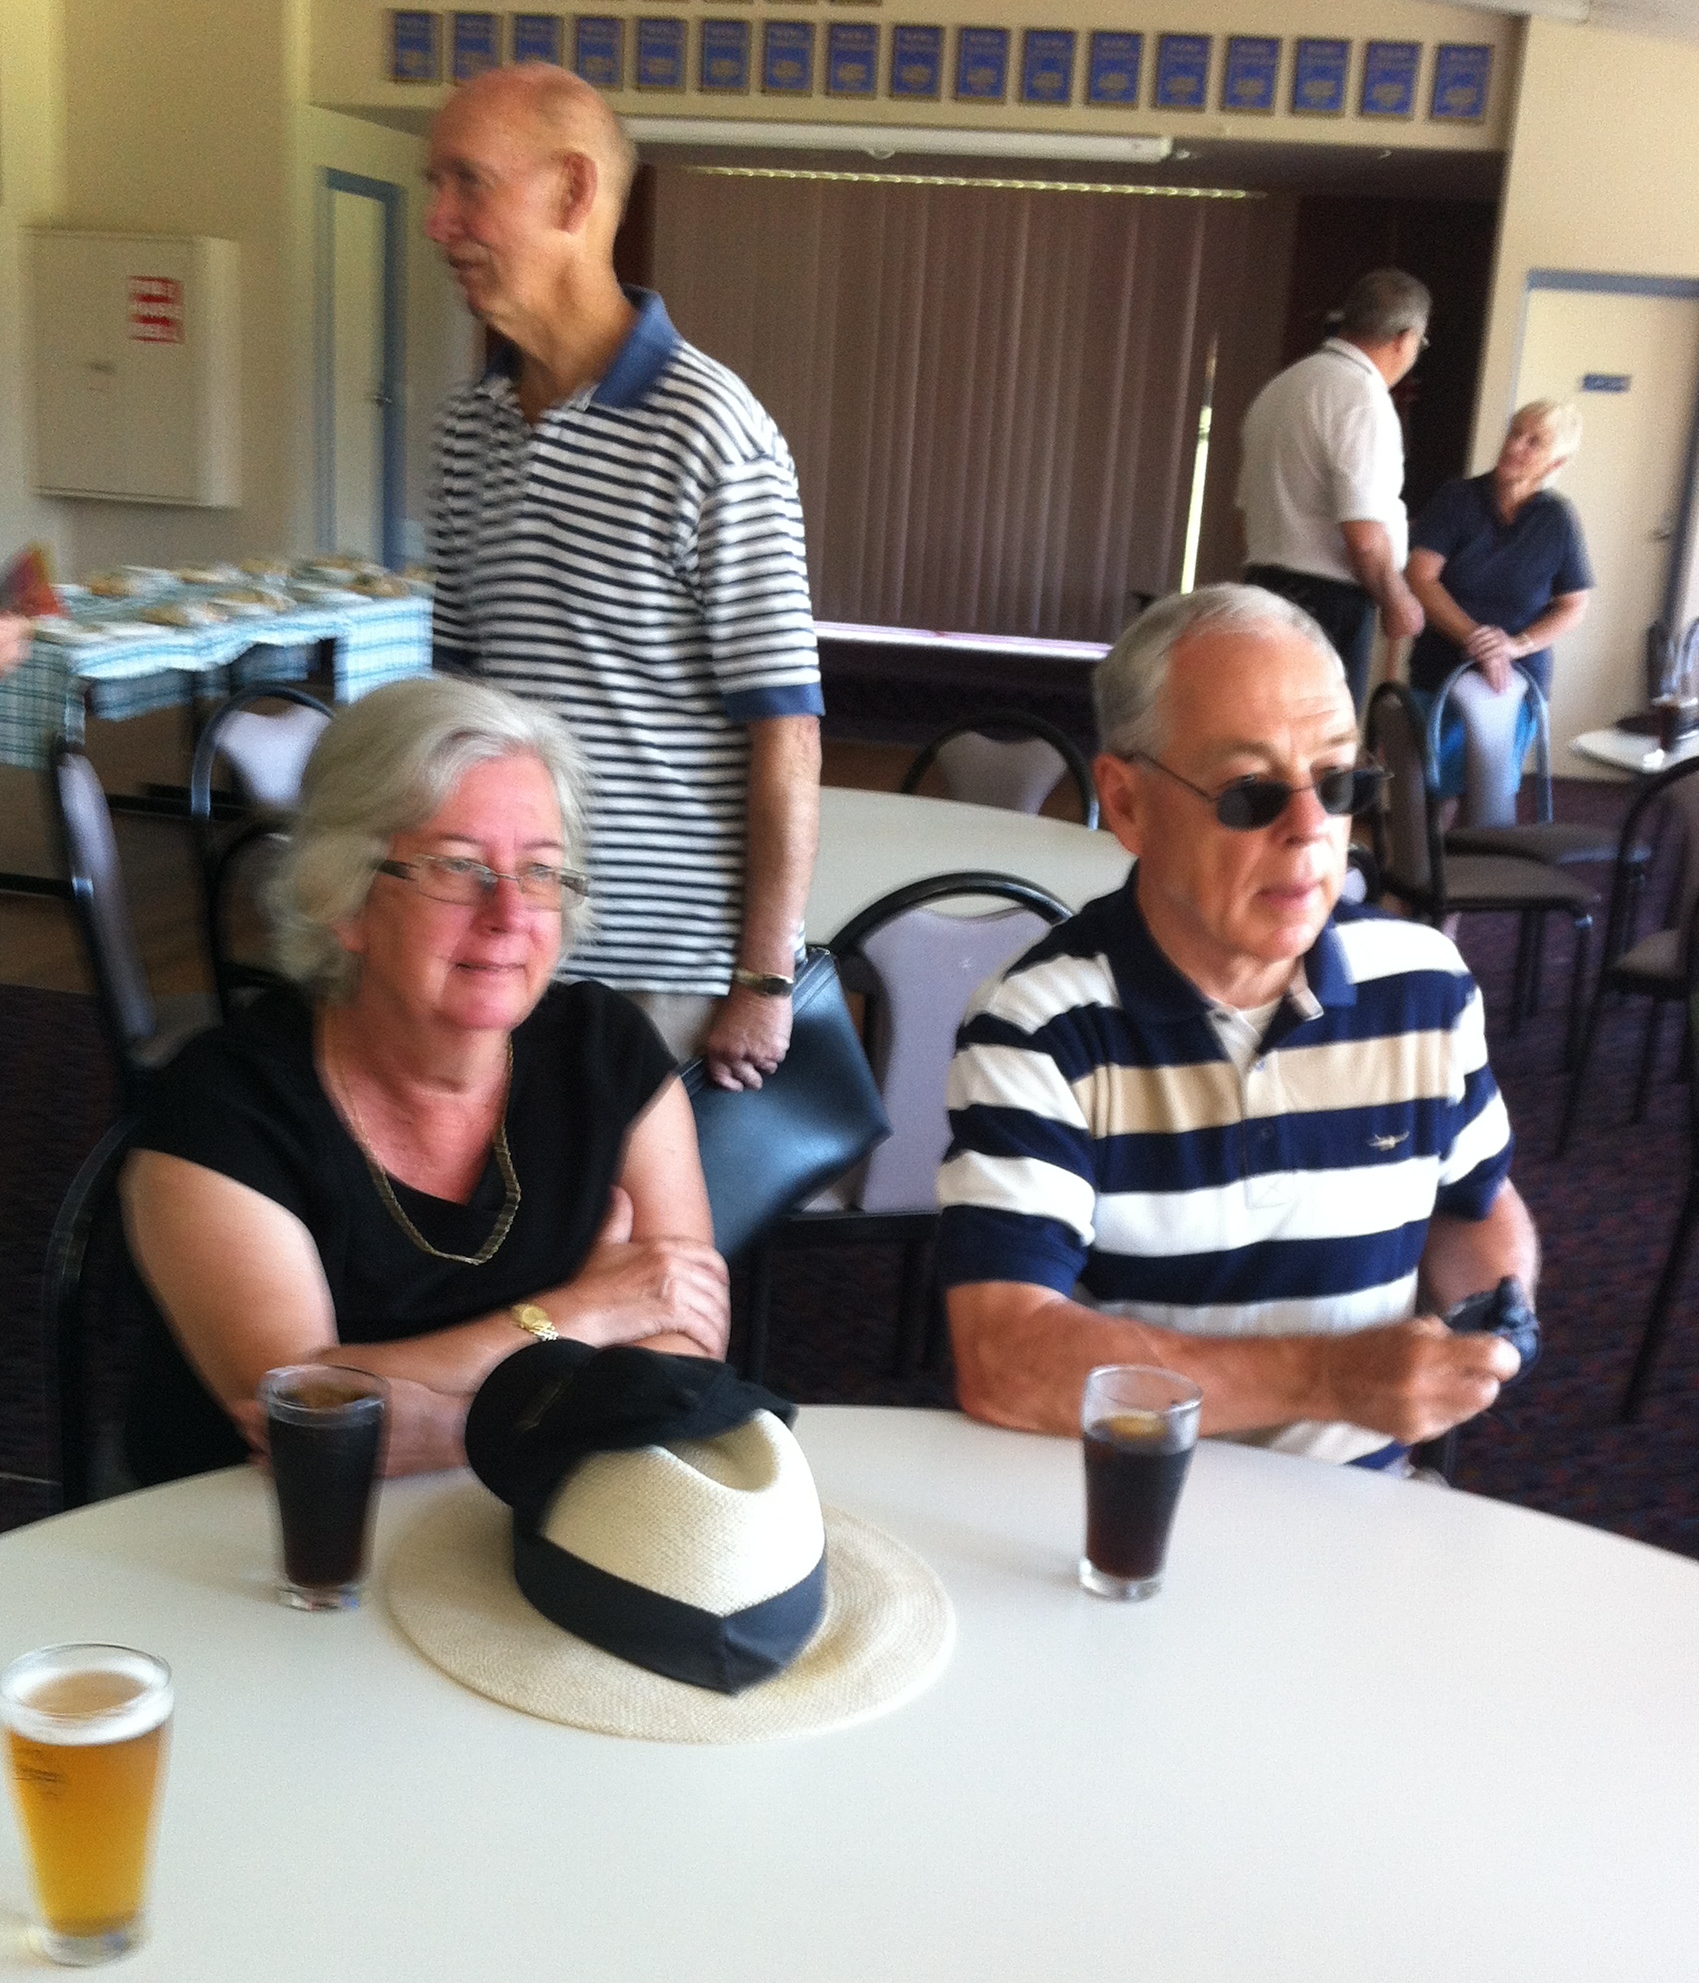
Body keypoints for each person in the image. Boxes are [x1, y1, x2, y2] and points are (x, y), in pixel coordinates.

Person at [936, 584, 1535, 1466]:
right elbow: (1005, 1357)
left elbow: (1475, 1204)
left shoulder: (1424, 986)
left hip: (1364, 1512)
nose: (1310, 830)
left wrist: (1490, 1325)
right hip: (1130, 1505)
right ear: (1126, 803)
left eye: (1337, 782)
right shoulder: (1042, 1027)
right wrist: (1330, 1379)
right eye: (1251, 794)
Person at [120, 675, 730, 1487]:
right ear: (345, 899)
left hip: (547, 1509)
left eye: (540, 872)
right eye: (457, 866)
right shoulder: (224, 1107)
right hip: (275, 1536)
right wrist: (587, 1312)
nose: (509, 914)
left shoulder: (605, 1052)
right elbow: (305, 1406)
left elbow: (684, 1349)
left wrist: (454, 1427)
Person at [426, 64, 823, 1093]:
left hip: (663, 974)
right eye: (436, 186)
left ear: (571, 191)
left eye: (468, 183)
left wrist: (763, 980)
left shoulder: (711, 431)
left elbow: (785, 732)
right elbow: (460, 710)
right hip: (507, 942)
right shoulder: (467, 427)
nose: (437, 221)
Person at [1238, 268, 1430, 712]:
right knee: (1322, 738)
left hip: (1262, 590)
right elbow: (1363, 538)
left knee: (1269, 729)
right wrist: (1397, 600)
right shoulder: (1363, 398)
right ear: (1404, 338)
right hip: (1327, 605)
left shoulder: (1280, 387)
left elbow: (1244, 515)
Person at [1405, 400, 1592, 798]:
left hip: (1515, 681)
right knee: (1431, 799)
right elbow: (1421, 577)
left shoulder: (1558, 519)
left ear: (1556, 463)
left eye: (1533, 442)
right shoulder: (1457, 499)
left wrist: (1514, 646)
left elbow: (1573, 605)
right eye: (1514, 432)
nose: (1514, 446)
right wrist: (1478, 640)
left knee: (1490, 801)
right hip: (1440, 669)